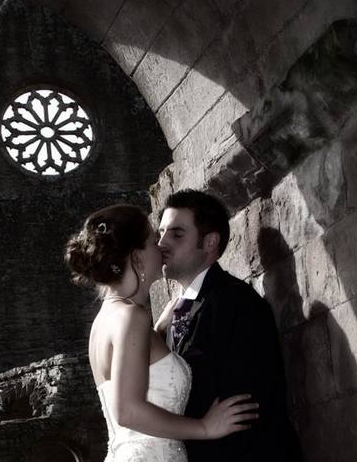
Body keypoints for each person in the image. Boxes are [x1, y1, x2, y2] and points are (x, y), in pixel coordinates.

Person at [65, 204, 259, 462]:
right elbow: (127, 411)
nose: (161, 246)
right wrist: (204, 428)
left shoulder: (105, 321)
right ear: (137, 257)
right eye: (153, 240)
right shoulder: (132, 317)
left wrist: (157, 330)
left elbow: (136, 373)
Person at [156, 190, 303, 462]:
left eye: (176, 234)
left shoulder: (237, 302)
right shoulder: (171, 314)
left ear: (210, 241)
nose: (162, 243)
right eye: (161, 233)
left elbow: (244, 407)